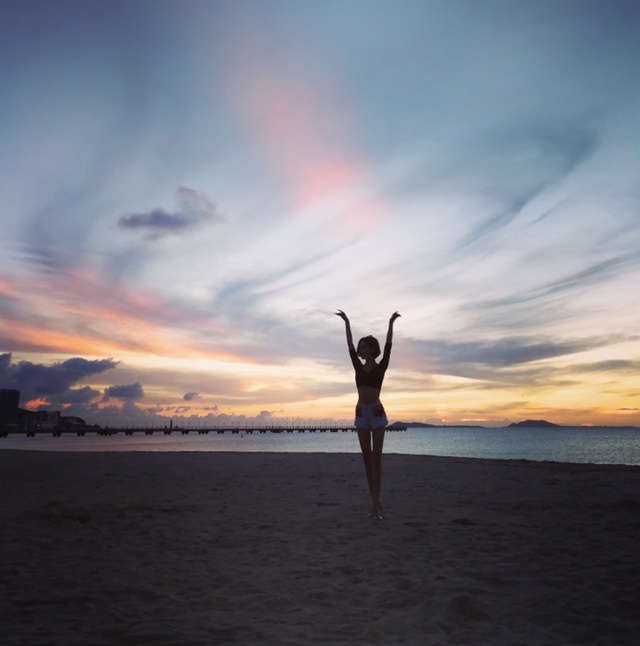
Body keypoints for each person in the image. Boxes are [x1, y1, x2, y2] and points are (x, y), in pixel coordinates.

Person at [336, 310, 400, 520]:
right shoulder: (358, 367)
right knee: (366, 459)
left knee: (377, 459)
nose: (360, 350)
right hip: (361, 413)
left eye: (364, 347)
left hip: (377, 412)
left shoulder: (381, 367)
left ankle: (375, 505)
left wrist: (391, 323)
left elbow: (389, 347)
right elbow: (349, 346)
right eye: (360, 347)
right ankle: (375, 500)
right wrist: (347, 322)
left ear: (372, 349)